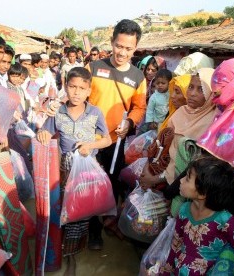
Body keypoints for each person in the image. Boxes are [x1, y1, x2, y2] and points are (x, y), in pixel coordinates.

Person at [37, 67, 111, 276]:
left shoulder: (95, 112)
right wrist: (42, 133)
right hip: (64, 171)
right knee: (66, 210)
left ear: (89, 91)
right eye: (72, 87)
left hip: (87, 173)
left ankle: (76, 249)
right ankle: (68, 254)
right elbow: (45, 131)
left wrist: (90, 145)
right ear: (65, 87)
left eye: (82, 88)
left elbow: (107, 139)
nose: (76, 92)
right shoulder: (58, 112)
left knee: (83, 211)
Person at [86, 19, 146, 249]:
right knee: (89, 184)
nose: (122, 52)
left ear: (135, 48)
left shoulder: (138, 77)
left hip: (116, 141)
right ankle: (92, 231)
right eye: (119, 46)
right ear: (112, 42)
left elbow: (139, 107)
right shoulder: (94, 67)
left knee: (109, 185)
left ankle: (106, 222)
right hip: (90, 139)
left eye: (128, 48)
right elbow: (79, 95)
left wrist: (130, 122)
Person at [160, 156, 234, 274]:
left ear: (203, 193)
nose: (181, 180)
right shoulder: (184, 210)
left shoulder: (225, 221)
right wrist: (165, 272)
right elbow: (176, 243)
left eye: (187, 178)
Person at [140, 68, 218, 188]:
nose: (192, 93)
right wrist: (149, 169)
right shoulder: (180, 112)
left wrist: (157, 180)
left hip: (185, 187)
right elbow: (161, 146)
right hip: (160, 177)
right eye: (191, 87)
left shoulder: (214, 123)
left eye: (201, 89)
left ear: (212, 93)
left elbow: (197, 165)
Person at [140, 68, 173, 133]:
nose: (160, 85)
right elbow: (150, 110)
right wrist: (150, 122)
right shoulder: (154, 97)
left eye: (163, 83)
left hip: (166, 123)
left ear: (169, 83)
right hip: (155, 124)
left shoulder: (171, 94)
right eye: (158, 83)